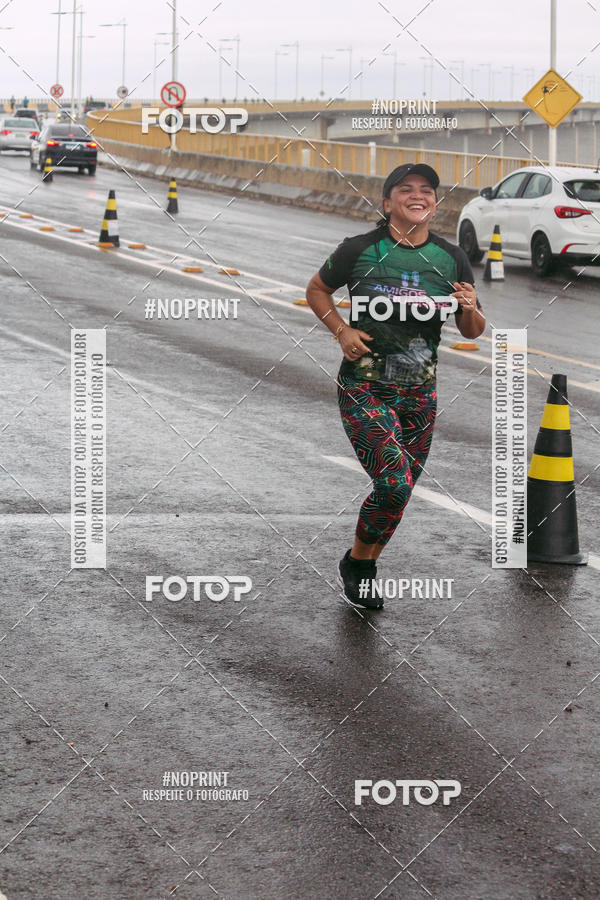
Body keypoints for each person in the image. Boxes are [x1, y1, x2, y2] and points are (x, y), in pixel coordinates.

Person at [305, 163, 485, 610]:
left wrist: (469, 307)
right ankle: (363, 570)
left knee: (399, 493)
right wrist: (341, 331)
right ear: (387, 203)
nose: (418, 195)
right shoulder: (360, 249)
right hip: (366, 387)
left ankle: (359, 561)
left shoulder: (451, 258)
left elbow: (473, 329)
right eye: (406, 189)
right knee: (393, 483)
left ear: (435, 204)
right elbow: (317, 290)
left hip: (420, 395)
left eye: (427, 190)